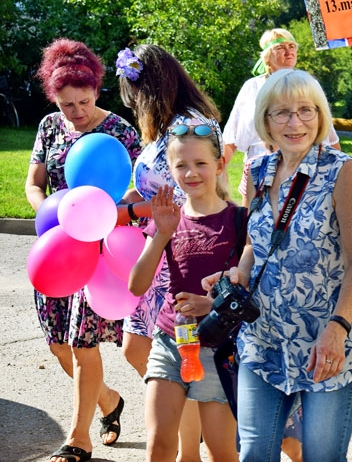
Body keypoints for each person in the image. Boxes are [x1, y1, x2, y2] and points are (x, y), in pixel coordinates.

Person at [205, 69, 352, 462]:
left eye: (305, 110)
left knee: (320, 456)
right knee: (254, 455)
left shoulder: (343, 171)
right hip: (264, 339)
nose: (295, 122)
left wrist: (337, 330)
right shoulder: (259, 171)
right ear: (264, 120)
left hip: (327, 343)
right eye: (281, 113)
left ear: (321, 115)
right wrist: (240, 273)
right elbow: (254, 243)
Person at [26, 39, 142, 462]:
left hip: (100, 252)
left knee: (81, 345)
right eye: (66, 104)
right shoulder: (49, 127)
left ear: (96, 91)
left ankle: (79, 439)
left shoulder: (120, 133)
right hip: (58, 246)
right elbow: (34, 183)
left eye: (83, 102)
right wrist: (49, 214)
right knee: (59, 346)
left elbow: (135, 191)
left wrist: (102, 218)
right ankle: (109, 402)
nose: (75, 112)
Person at [117, 43, 221, 462]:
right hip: (155, 251)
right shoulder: (166, 127)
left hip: (179, 251)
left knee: (181, 357)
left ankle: (187, 451)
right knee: (137, 348)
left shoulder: (191, 127)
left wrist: (127, 212)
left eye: (135, 95)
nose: (134, 104)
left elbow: (184, 195)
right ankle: (186, 446)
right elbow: (150, 187)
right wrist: (123, 202)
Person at [128, 125, 240, 462]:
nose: (191, 173)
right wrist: (162, 233)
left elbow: (249, 290)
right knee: (159, 446)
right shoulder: (168, 218)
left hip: (219, 348)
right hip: (170, 342)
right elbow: (136, 284)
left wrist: (212, 304)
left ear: (220, 165)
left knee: (221, 451)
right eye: (181, 165)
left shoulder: (239, 219)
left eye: (200, 163)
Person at [223, 28, 339, 208]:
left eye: (292, 46)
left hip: (301, 167)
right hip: (258, 171)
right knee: (255, 224)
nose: (288, 51)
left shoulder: (309, 85)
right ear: (267, 56)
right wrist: (216, 171)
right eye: (281, 47)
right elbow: (230, 138)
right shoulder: (252, 87)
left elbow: (328, 135)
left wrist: (342, 174)